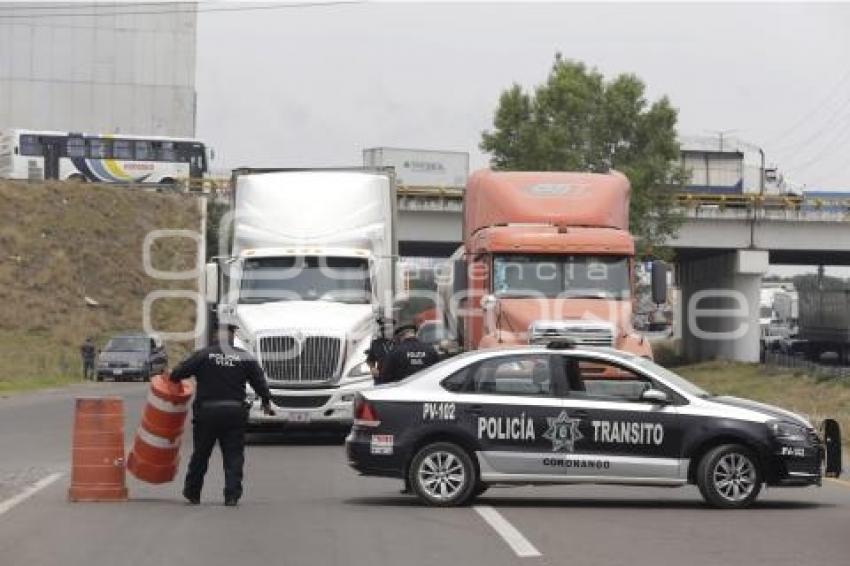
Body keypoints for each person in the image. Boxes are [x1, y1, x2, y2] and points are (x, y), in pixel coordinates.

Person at [169, 324, 275, 507]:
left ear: (215, 337)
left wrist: (173, 378)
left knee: (201, 454)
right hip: (234, 413)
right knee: (233, 455)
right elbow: (259, 381)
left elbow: (178, 373)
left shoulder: (203, 355)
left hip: (207, 413)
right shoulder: (244, 357)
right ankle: (232, 496)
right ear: (232, 338)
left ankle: (193, 492)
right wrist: (266, 401)